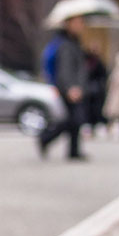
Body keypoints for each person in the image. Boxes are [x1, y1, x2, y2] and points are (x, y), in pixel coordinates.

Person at [38, 15, 89, 160]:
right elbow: (65, 69)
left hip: (74, 87)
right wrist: (70, 88)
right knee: (72, 120)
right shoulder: (66, 44)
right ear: (69, 24)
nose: (81, 25)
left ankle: (73, 150)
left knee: (75, 120)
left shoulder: (73, 42)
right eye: (78, 22)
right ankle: (46, 137)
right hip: (70, 88)